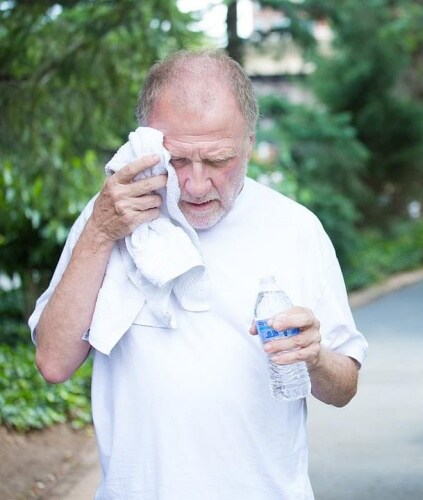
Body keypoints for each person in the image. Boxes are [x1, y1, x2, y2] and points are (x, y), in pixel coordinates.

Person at [29, 48, 368, 499]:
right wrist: (100, 233)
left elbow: (344, 386)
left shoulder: (295, 229)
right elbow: (53, 362)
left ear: (249, 141)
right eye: (177, 160)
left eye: (217, 160)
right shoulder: (111, 216)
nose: (194, 184)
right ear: (147, 143)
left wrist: (316, 356)